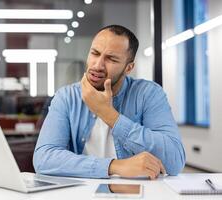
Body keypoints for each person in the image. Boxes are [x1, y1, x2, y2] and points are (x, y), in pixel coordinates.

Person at [33, 25, 186, 179]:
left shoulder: (148, 94)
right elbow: (43, 158)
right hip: (82, 192)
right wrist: (114, 166)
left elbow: (174, 161)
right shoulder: (67, 97)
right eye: (95, 53)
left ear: (128, 68)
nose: (97, 65)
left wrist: (109, 114)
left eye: (111, 59)